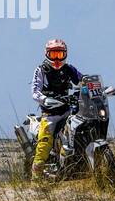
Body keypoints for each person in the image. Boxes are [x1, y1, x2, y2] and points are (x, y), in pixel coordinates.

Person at [29, 37, 83, 178]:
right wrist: (45, 99)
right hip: (50, 114)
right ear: (47, 54)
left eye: (60, 54)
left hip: (68, 111)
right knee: (44, 143)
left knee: (79, 132)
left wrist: (94, 87)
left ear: (65, 54)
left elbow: (83, 80)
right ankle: (36, 177)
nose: (57, 58)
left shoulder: (69, 69)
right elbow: (35, 91)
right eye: (53, 54)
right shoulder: (41, 70)